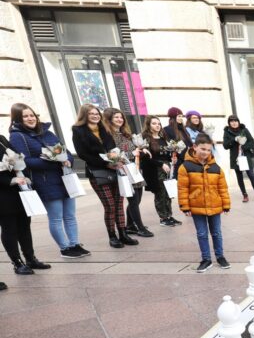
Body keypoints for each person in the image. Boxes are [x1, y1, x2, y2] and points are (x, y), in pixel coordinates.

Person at [8, 102, 90, 258]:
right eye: (25, 116)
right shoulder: (17, 135)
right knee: (56, 217)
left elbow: (64, 151)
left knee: (70, 215)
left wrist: (67, 160)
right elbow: (24, 162)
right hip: (44, 181)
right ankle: (65, 248)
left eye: (32, 115)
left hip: (64, 178)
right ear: (18, 119)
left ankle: (75, 244)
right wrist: (52, 160)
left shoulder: (47, 132)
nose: (30, 118)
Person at [71, 103, 137, 248]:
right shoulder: (78, 130)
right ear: (85, 116)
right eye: (91, 114)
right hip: (97, 172)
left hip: (115, 169)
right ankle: (112, 236)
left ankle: (123, 234)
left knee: (119, 204)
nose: (95, 116)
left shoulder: (104, 128)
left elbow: (113, 148)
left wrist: (117, 160)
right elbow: (83, 154)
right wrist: (105, 163)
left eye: (97, 113)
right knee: (110, 205)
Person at [177, 133, 230, 273]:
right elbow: (182, 188)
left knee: (217, 233)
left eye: (208, 150)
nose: (206, 152)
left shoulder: (216, 168)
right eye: (203, 149)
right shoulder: (185, 167)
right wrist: (184, 206)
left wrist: (226, 204)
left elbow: (222, 188)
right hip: (196, 206)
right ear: (195, 147)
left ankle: (220, 256)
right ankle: (206, 259)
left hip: (214, 205)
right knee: (201, 233)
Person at [0, 134, 51, 274]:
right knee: (9, 228)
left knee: (24, 225)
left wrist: (23, 175)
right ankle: (17, 263)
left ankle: (30, 258)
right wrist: (9, 180)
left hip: (19, 190)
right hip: (3, 193)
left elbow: (18, 159)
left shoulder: (2, 139)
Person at [104, 107, 152, 238]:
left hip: (134, 169)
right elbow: (113, 154)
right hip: (123, 170)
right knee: (133, 200)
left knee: (138, 198)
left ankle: (130, 225)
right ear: (109, 119)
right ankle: (140, 228)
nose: (120, 119)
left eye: (121, 117)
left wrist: (141, 150)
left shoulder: (125, 134)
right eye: (116, 117)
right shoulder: (108, 135)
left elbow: (133, 149)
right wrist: (132, 153)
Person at [138, 116, 180, 226]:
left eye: (159, 123)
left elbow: (167, 153)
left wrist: (172, 158)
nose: (157, 125)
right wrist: (161, 164)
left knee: (168, 193)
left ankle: (169, 216)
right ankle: (163, 218)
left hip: (166, 168)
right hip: (154, 170)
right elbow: (146, 158)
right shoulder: (145, 139)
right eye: (154, 123)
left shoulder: (163, 138)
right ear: (148, 125)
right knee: (160, 194)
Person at [222, 114, 254, 203]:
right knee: (239, 177)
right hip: (235, 158)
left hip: (245, 156)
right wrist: (234, 140)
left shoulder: (244, 130)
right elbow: (225, 145)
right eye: (232, 121)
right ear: (229, 123)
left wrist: (243, 147)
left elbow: (252, 142)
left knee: (251, 175)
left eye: (236, 121)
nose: (234, 123)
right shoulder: (227, 132)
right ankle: (244, 195)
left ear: (238, 122)